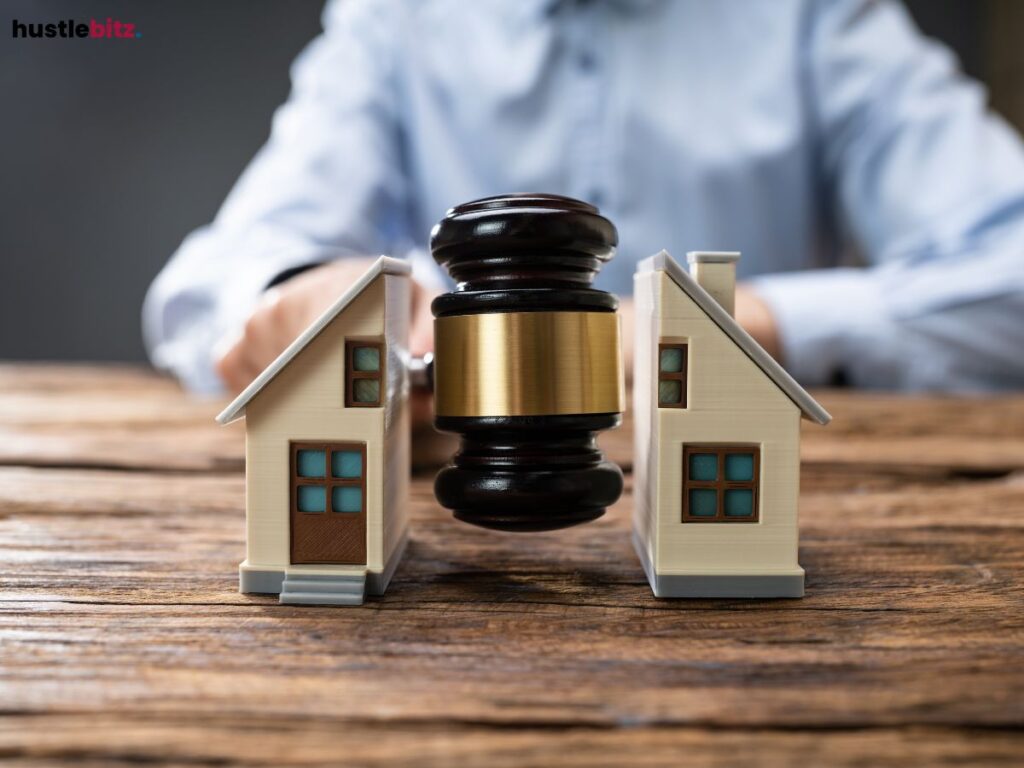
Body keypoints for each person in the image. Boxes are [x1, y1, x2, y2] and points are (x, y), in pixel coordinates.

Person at [145, 0, 1024, 406]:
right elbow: (213, 281)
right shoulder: (395, 21)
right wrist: (303, 289)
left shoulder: (816, 19)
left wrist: (748, 325)